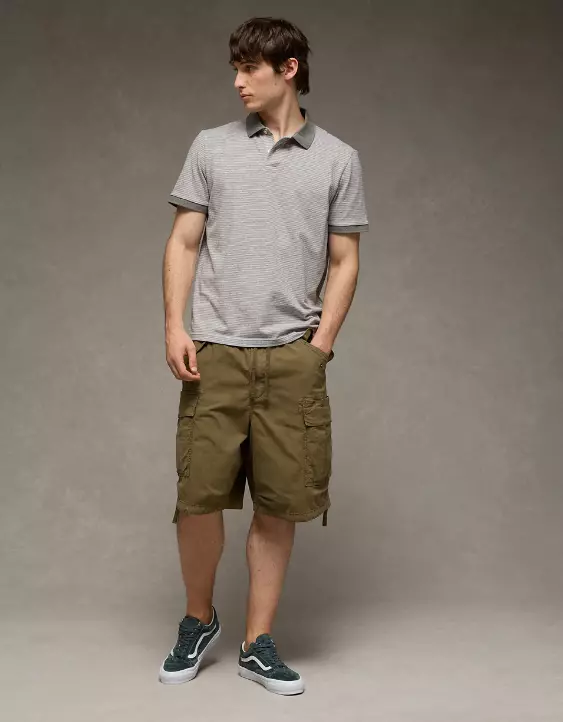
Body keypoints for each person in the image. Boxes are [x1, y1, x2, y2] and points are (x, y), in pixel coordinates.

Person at [159, 16, 369, 696]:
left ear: (289, 69)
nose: (238, 81)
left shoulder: (337, 159)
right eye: (236, 67)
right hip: (215, 355)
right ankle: (198, 620)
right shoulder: (211, 147)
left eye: (250, 67)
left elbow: (344, 259)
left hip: (290, 361)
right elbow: (184, 241)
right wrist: (175, 325)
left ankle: (258, 642)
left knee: (277, 505)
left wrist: (320, 347)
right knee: (197, 499)